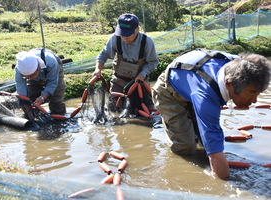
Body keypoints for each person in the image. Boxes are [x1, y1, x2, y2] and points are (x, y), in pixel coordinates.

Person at [152, 48, 271, 179]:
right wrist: (225, 185)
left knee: (204, 141)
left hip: (193, 79)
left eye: (258, 93)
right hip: (170, 92)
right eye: (252, 93)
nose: (254, 101)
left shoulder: (243, 68)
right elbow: (215, 152)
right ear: (228, 84)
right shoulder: (206, 97)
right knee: (185, 147)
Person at [92, 13, 159, 115]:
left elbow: (153, 62)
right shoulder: (115, 38)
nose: (124, 37)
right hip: (119, 80)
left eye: (128, 35)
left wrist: (143, 74)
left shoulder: (147, 41)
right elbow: (103, 55)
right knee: (113, 109)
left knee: (143, 111)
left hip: (139, 82)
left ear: (137, 29)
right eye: (122, 34)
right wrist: (98, 69)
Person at [15, 48, 66, 120]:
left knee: (56, 98)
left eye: (32, 75)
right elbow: (21, 92)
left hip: (54, 69)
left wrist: (42, 97)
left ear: (38, 67)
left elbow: (53, 82)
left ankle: (60, 118)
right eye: (28, 77)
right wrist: (28, 112)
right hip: (36, 71)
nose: (31, 78)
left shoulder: (51, 61)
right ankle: (36, 117)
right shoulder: (19, 69)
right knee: (31, 97)